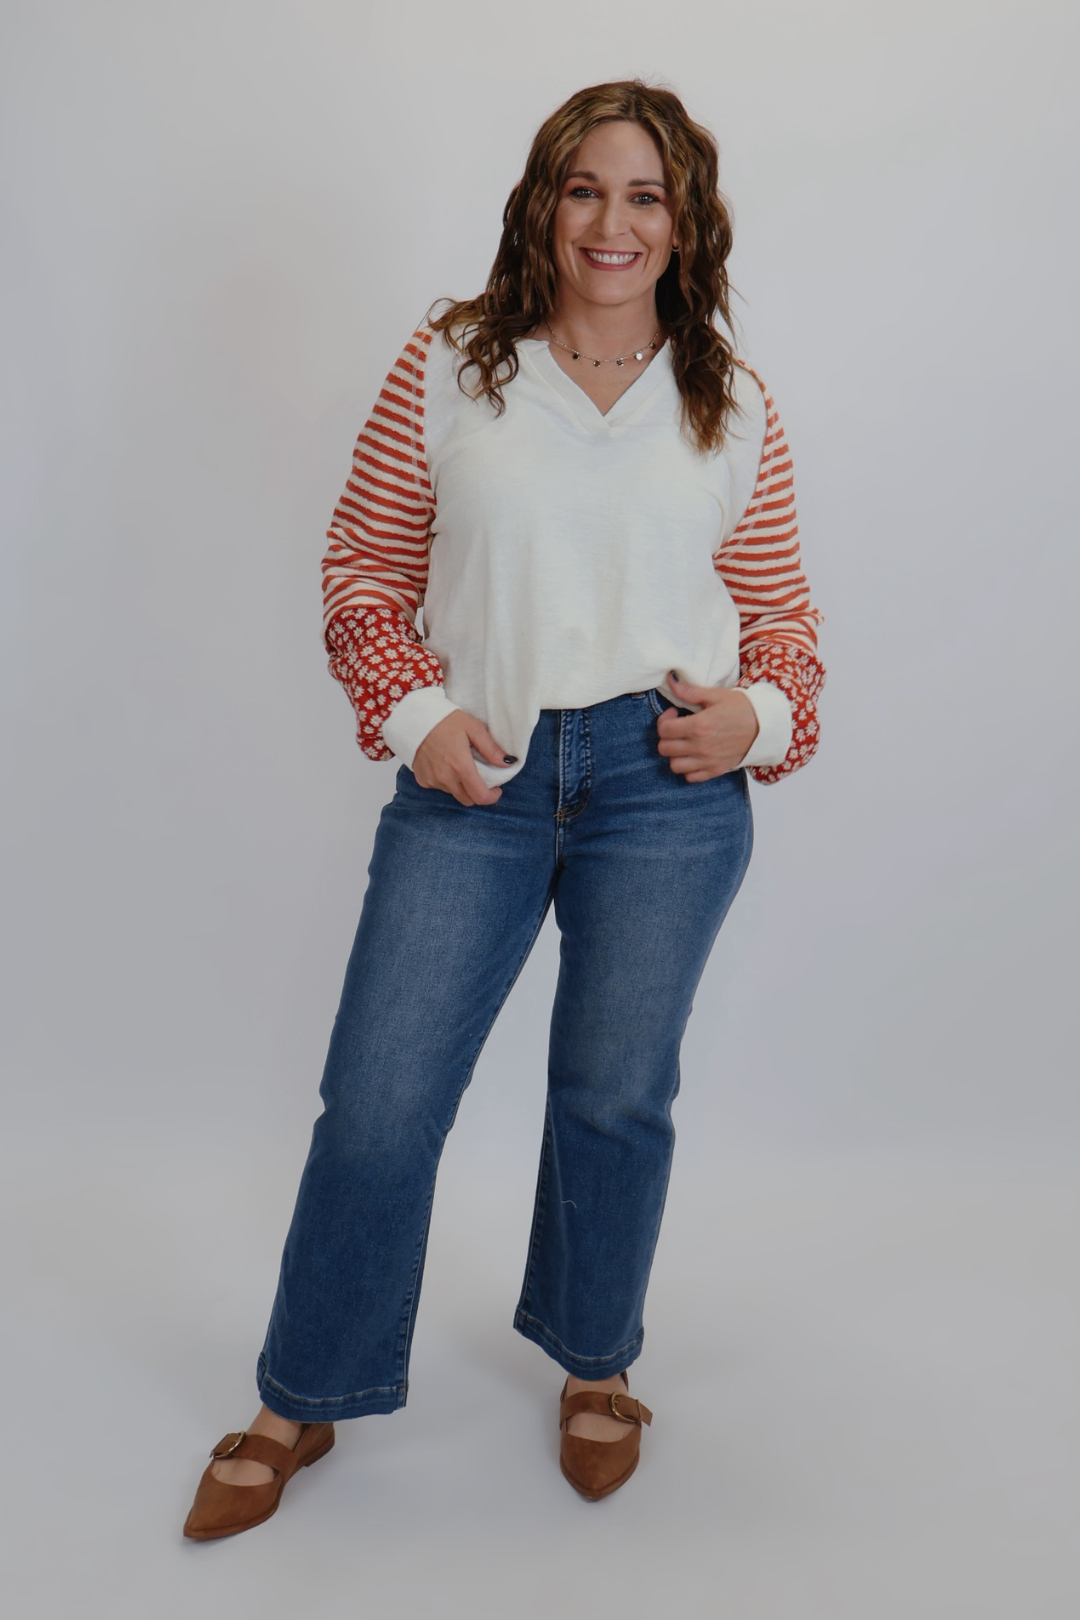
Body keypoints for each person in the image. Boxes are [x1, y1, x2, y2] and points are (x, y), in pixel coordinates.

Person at [183, 78, 824, 1540]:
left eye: (647, 196)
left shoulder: (730, 400)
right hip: (478, 769)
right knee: (381, 1099)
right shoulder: (451, 365)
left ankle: (597, 1365)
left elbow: (783, 617)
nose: (613, 222)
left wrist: (761, 716)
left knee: (615, 1094)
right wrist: (416, 720)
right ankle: (303, 1393)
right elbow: (361, 568)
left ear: (686, 224)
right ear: (544, 202)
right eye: (585, 188)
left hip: (664, 782)